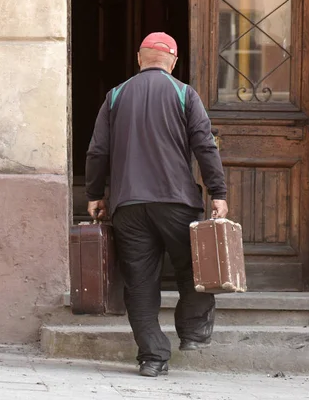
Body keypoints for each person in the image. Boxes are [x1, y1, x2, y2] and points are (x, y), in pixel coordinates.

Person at [85, 32, 228, 378]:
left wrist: (94, 194)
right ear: (173, 62)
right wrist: (218, 192)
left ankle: (152, 357)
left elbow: (97, 151)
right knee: (195, 271)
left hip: (129, 205)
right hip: (177, 201)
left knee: (140, 283)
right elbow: (205, 147)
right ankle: (192, 332)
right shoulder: (184, 94)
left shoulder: (115, 96)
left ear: (140, 58)